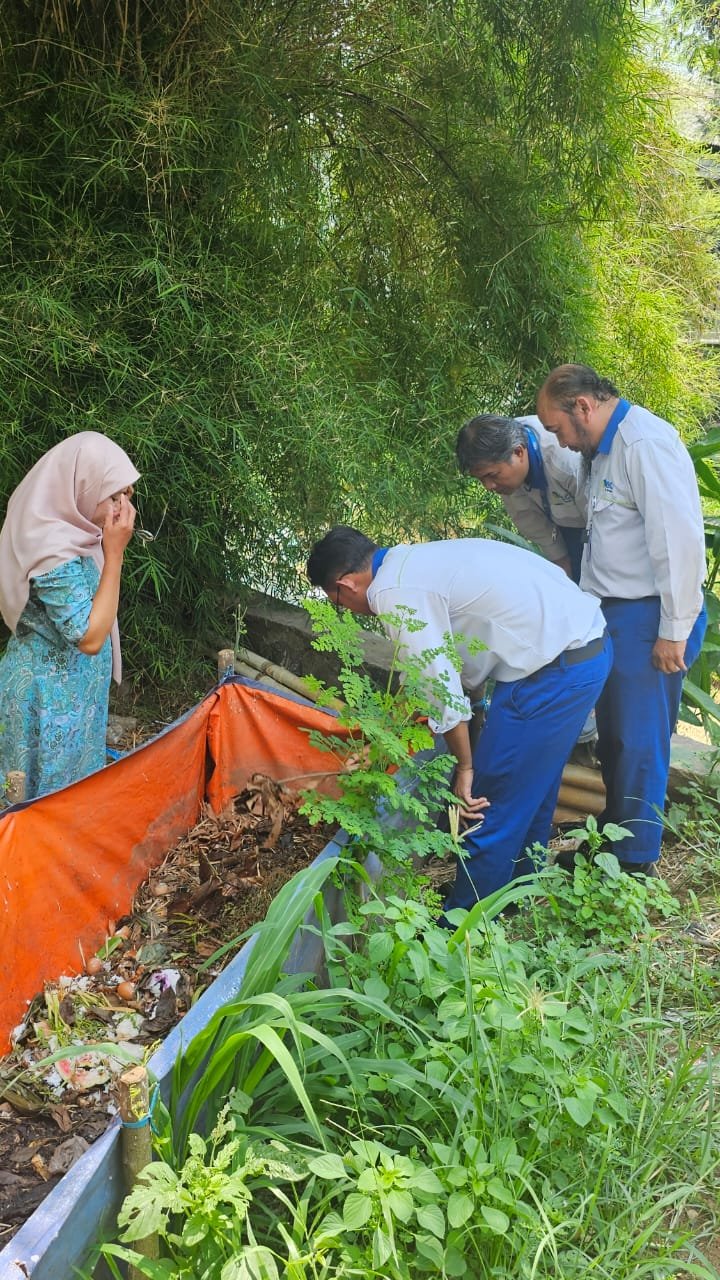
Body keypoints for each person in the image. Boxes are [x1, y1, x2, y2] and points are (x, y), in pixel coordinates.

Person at [306, 527, 612, 910]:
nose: (345, 608)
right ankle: (516, 894)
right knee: (531, 789)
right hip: (584, 649)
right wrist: (382, 740)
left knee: (487, 801)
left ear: (346, 585)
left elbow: (439, 690)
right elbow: (430, 671)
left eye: (336, 601)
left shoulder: (391, 593)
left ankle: (463, 924)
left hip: (554, 671)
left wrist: (465, 767)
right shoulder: (407, 562)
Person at [536, 364, 707, 873]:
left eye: (558, 429)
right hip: (613, 615)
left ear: (583, 407)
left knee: (638, 741)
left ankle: (635, 863)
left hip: (650, 616)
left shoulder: (644, 444)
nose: (559, 443)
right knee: (613, 738)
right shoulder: (600, 450)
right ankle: (615, 841)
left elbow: (678, 545)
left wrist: (673, 632)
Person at [0, 432, 139, 801]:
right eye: (114, 496)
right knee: (41, 807)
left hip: (77, 698)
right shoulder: (50, 547)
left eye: (127, 496)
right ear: (81, 486)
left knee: (75, 798)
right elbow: (90, 637)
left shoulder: (80, 531)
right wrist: (115, 556)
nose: (123, 509)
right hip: (45, 704)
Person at [456, 413, 587, 582]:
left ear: (518, 452)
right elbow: (533, 523)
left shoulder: (565, 460)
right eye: (481, 479)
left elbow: (600, 524)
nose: (488, 486)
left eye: (492, 475)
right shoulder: (508, 477)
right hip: (566, 530)